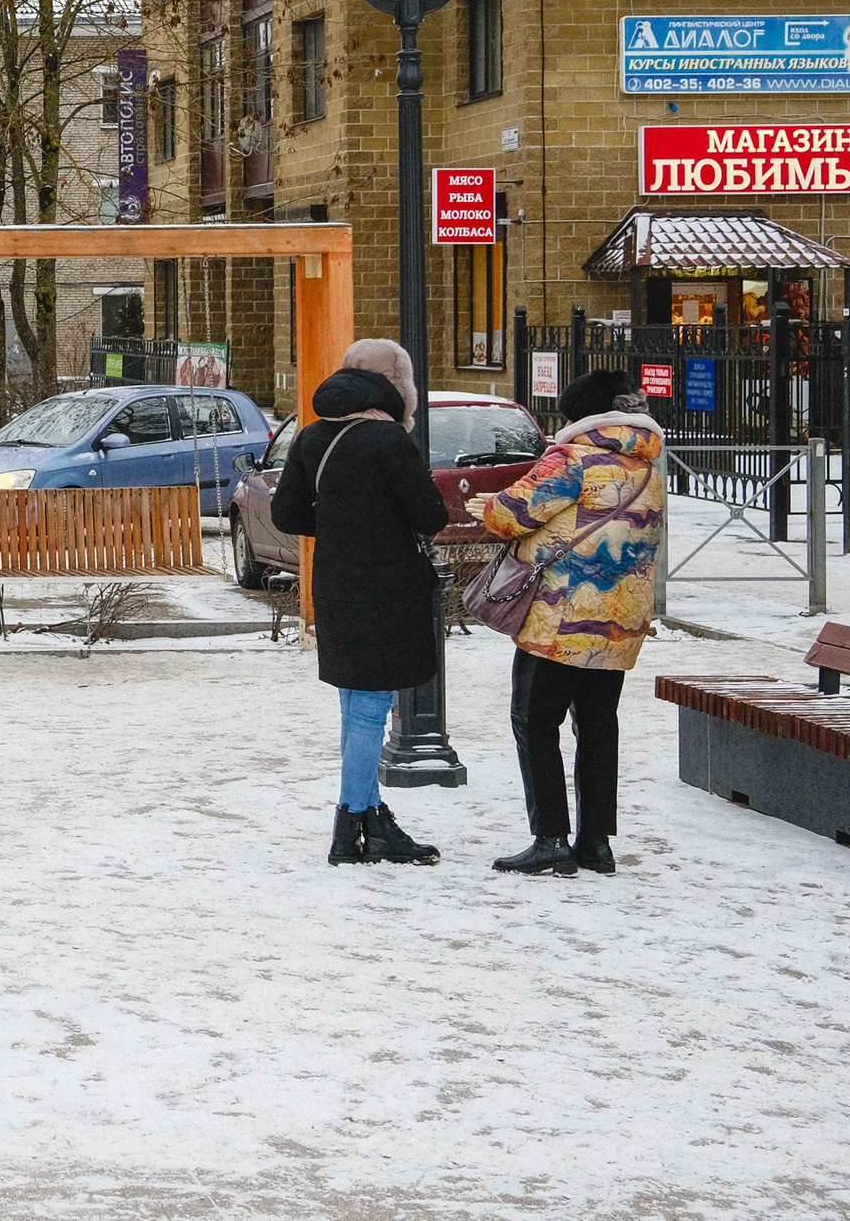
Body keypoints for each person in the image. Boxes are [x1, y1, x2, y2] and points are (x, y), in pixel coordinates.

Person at [469, 368, 664, 877]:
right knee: (598, 727)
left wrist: (486, 507)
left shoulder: (572, 458)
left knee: (535, 723)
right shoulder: (646, 464)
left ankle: (551, 837)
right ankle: (596, 843)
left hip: (560, 621)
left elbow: (512, 514)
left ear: (580, 416)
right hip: (619, 622)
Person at [269, 338, 449, 866]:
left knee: (356, 703)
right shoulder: (389, 441)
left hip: (334, 581)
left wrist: (337, 528)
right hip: (387, 586)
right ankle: (349, 824)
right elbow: (430, 516)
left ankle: (372, 817)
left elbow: (286, 514)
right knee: (372, 706)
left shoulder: (311, 438)